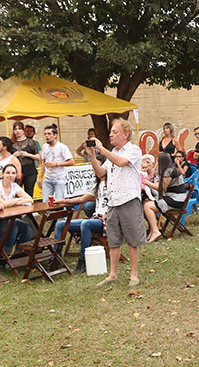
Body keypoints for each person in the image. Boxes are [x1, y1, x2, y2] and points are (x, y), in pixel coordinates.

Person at [88, 118, 145, 287]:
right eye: (111, 132)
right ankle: (112, 274)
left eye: (115, 132)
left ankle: (134, 274)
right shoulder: (112, 152)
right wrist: (92, 157)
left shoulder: (133, 150)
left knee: (133, 239)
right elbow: (101, 173)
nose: (111, 135)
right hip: (113, 202)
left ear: (125, 134)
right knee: (113, 240)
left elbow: (120, 162)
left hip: (129, 199)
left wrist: (101, 149)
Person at [54, 177, 109, 273]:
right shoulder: (98, 186)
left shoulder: (114, 184)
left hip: (107, 220)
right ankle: (55, 258)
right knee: (60, 224)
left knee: (85, 224)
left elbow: (119, 202)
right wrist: (62, 201)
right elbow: (81, 199)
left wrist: (108, 213)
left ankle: (83, 260)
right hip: (95, 218)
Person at [0, 164, 33, 256]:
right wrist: (17, 200)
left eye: (13, 173)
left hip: (7, 217)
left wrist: (13, 201)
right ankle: (2, 253)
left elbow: (30, 199)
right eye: (8, 173)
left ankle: (19, 252)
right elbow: (1, 203)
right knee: (13, 226)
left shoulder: (14, 186)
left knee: (27, 228)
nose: (10, 175)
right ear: (2, 174)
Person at [144, 153, 191, 243]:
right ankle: (152, 230)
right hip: (175, 198)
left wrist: (146, 182)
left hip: (175, 200)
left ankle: (155, 231)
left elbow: (162, 188)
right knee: (146, 203)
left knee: (147, 206)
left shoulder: (168, 171)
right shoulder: (171, 169)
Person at [38, 124, 74, 202]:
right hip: (48, 177)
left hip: (59, 177)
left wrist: (56, 164)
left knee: (59, 201)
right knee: (46, 201)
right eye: (45, 134)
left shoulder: (62, 147)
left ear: (55, 135)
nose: (47, 136)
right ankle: (48, 214)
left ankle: (61, 214)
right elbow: (43, 163)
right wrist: (40, 177)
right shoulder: (44, 146)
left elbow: (71, 161)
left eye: (49, 134)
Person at [11, 121, 40, 196]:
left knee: (29, 193)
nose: (17, 131)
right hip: (16, 171)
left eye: (19, 129)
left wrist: (28, 155)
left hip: (30, 170)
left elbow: (38, 157)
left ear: (23, 130)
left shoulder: (30, 142)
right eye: (15, 129)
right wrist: (14, 155)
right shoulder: (11, 143)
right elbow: (7, 158)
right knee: (15, 193)